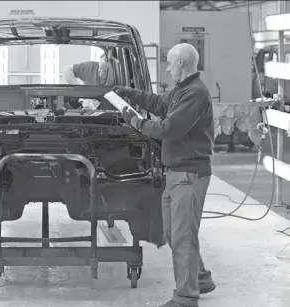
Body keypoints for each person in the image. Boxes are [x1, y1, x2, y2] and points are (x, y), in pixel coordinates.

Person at [112, 43, 216, 307]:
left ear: (181, 62)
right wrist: (127, 93)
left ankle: (185, 297)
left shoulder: (196, 94)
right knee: (175, 233)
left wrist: (135, 122)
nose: (167, 68)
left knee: (182, 235)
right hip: (176, 173)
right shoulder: (183, 89)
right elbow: (159, 104)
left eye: (169, 63)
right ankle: (200, 279)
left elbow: (170, 128)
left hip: (189, 175)